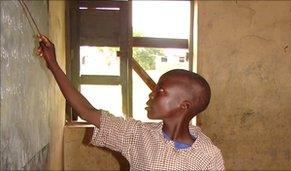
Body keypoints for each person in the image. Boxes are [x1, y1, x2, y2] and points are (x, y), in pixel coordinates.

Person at [37, 34, 225, 170]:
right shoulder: (137, 135)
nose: (151, 95)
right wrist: (53, 64)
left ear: (184, 105)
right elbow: (86, 111)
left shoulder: (207, 155)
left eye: (160, 91)